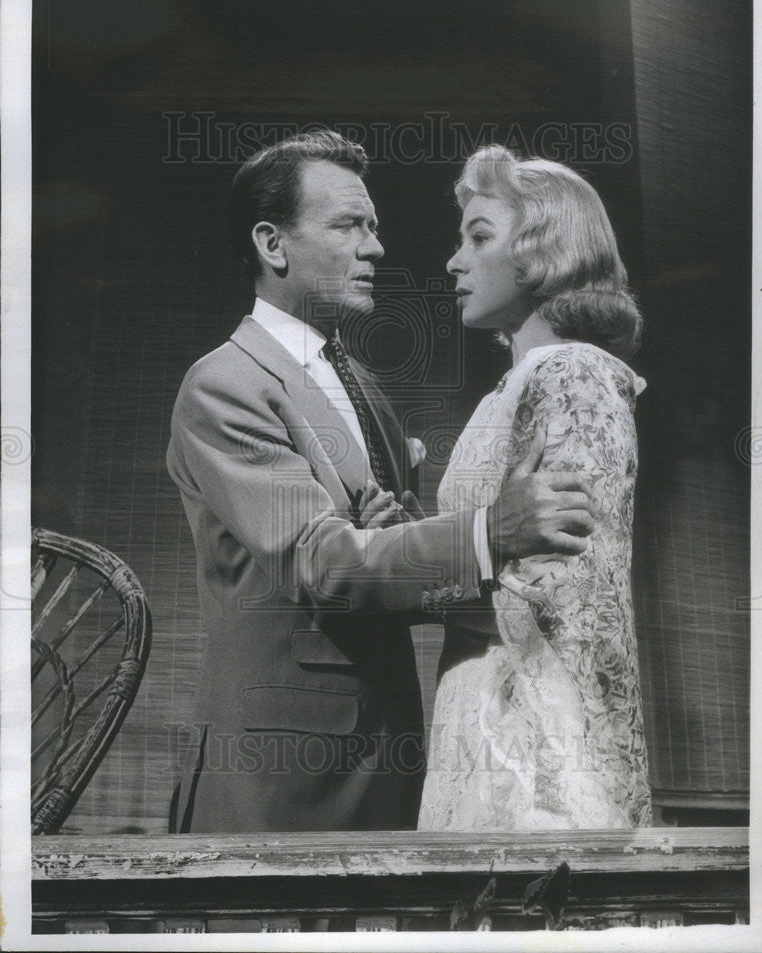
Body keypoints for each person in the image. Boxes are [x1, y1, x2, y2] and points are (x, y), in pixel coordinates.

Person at [167, 131, 597, 833]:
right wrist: (489, 532)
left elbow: (397, 573)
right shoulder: (224, 385)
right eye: (348, 226)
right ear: (273, 246)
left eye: (374, 227)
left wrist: (407, 537)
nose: (376, 249)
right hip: (281, 781)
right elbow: (320, 563)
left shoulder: (366, 389)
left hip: (390, 761)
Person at [417, 146, 652, 830]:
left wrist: (409, 567)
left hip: (538, 738)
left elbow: (576, 594)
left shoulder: (573, 372)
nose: (455, 261)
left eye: (479, 236)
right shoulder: (518, 384)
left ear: (544, 248)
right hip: (480, 704)